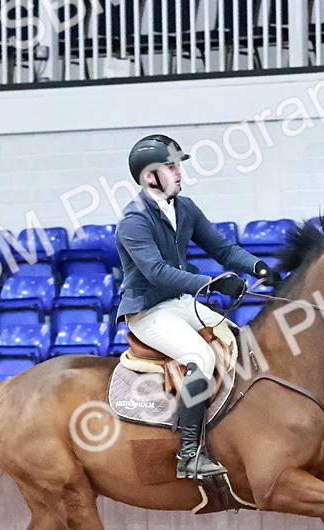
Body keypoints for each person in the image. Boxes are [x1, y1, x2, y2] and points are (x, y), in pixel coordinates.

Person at [115, 133, 275, 481]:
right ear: (150, 176)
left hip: (182, 303)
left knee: (238, 341)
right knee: (200, 358)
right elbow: (157, 272)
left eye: (177, 166)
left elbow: (223, 249)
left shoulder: (184, 208)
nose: (179, 172)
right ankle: (189, 455)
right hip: (149, 312)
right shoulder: (134, 221)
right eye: (171, 167)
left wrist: (258, 266)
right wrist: (212, 283)